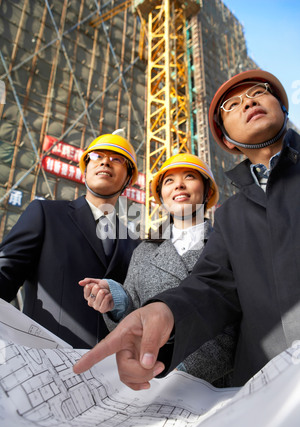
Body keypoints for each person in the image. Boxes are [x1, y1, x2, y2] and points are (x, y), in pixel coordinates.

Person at [74, 69, 300, 391]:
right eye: (233, 104)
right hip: (201, 386)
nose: (248, 102)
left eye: (258, 92)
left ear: (207, 191)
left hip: (230, 382)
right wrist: (132, 305)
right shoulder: (229, 221)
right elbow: (210, 289)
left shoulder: (223, 227)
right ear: (225, 138)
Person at [79, 153, 237, 385]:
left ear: (208, 192)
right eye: (169, 181)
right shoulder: (143, 251)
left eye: (190, 176)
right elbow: (134, 312)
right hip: (152, 380)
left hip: (218, 386)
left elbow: (239, 318)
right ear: (161, 196)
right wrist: (116, 300)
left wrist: (182, 367)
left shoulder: (230, 246)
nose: (179, 185)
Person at [0, 132, 140, 348]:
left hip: (111, 373)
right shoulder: (46, 215)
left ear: (129, 178)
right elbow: (5, 272)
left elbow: (139, 310)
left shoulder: (134, 244)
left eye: (117, 159)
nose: (105, 161)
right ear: (85, 170)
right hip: (46, 361)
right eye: (96, 156)